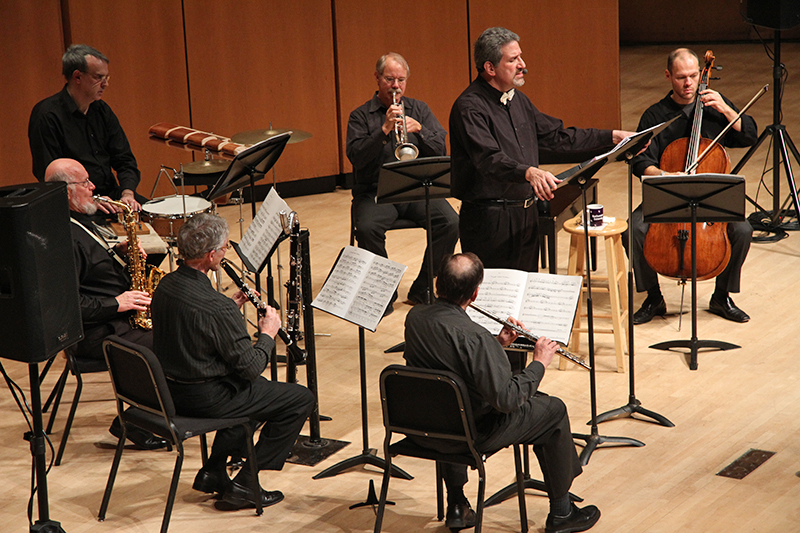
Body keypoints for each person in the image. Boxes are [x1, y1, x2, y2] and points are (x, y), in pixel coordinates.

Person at [404, 253, 601, 533]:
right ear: (474, 293)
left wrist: (497, 343)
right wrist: (539, 363)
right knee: (553, 411)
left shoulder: (416, 317)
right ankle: (562, 512)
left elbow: (449, 364)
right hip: (472, 433)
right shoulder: (474, 337)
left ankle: (457, 504)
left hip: (423, 426)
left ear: (438, 285)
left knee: (446, 404)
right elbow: (507, 399)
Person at [151, 213, 315, 511]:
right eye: (225, 248)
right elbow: (251, 367)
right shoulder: (216, 307)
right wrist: (268, 334)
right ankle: (246, 482)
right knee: (298, 398)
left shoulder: (166, 285)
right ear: (211, 255)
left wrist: (230, 307)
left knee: (258, 393)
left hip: (169, 391)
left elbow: (194, 325)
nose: (226, 252)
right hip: (204, 398)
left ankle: (213, 471)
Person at [449, 27, 636, 273]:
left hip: (526, 217)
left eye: (520, 57)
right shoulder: (469, 108)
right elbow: (488, 159)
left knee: (525, 293)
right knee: (494, 298)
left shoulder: (518, 101)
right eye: (513, 59)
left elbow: (557, 138)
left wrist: (612, 137)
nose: (522, 65)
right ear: (490, 68)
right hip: (489, 222)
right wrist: (529, 172)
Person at [628, 48, 757, 324]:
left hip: (709, 200)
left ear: (702, 73)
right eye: (681, 77)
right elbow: (640, 161)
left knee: (743, 229)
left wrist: (725, 108)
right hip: (669, 195)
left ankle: (721, 296)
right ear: (668, 76)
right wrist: (663, 175)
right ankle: (653, 297)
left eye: (693, 75)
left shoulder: (714, 107)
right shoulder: (655, 115)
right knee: (635, 229)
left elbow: (749, 134)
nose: (689, 83)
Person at [45, 158, 166, 450]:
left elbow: (93, 266)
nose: (93, 186)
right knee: (169, 342)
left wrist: (121, 252)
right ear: (65, 191)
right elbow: (67, 306)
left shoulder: (82, 220)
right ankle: (135, 422)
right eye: (84, 182)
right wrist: (118, 302)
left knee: (178, 318)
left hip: (114, 320)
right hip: (95, 331)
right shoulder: (62, 239)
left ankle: (149, 413)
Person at [346, 52, 459, 311]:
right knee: (366, 229)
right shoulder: (360, 116)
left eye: (401, 80)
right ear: (377, 78)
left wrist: (421, 130)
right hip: (375, 192)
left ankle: (422, 287)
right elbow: (356, 157)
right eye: (389, 79)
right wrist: (383, 131)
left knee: (451, 222)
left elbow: (440, 149)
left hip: (415, 188)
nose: (396, 86)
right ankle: (383, 292)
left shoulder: (420, 109)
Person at [30, 44, 145, 212]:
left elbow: (125, 159)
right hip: (77, 205)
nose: (105, 84)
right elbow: (50, 178)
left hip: (112, 195)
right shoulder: (47, 116)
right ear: (77, 77)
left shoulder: (102, 110)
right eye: (99, 77)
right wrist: (90, 200)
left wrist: (127, 194)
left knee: (153, 215)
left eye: (106, 77)